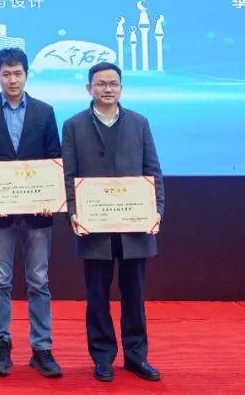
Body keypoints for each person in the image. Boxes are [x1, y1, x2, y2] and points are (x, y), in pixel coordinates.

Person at [66, 62, 164, 382]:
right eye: (101, 83)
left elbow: (152, 170)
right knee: (97, 296)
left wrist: (157, 210)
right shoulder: (73, 125)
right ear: (89, 88)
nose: (107, 89)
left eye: (113, 83)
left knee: (134, 295)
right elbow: (68, 175)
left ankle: (137, 356)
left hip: (134, 224)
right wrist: (73, 211)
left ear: (121, 88)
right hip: (94, 225)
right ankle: (102, 357)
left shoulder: (139, 122)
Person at [0, 47, 64, 377]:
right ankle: (1, 345)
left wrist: (50, 194)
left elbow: (54, 158)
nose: (12, 79)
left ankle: (42, 348)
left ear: (26, 74)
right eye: (6, 74)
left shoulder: (44, 112)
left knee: (39, 280)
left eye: (18, 73)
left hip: (38, 212)